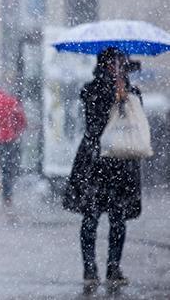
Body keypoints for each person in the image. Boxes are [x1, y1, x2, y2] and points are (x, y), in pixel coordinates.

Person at [62, 48, 143, 294]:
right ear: (104, 65)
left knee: (118, 219)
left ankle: (113, 267)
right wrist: (113, 94)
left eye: (121, 63)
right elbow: (94, 122)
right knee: (91, 216)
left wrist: (125, 95)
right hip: (96, 161)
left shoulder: (131, 92)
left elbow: (137, 122)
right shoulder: (91, 89)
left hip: (120, 160)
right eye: (114, 63)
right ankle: (89, 269)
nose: (117, 67)